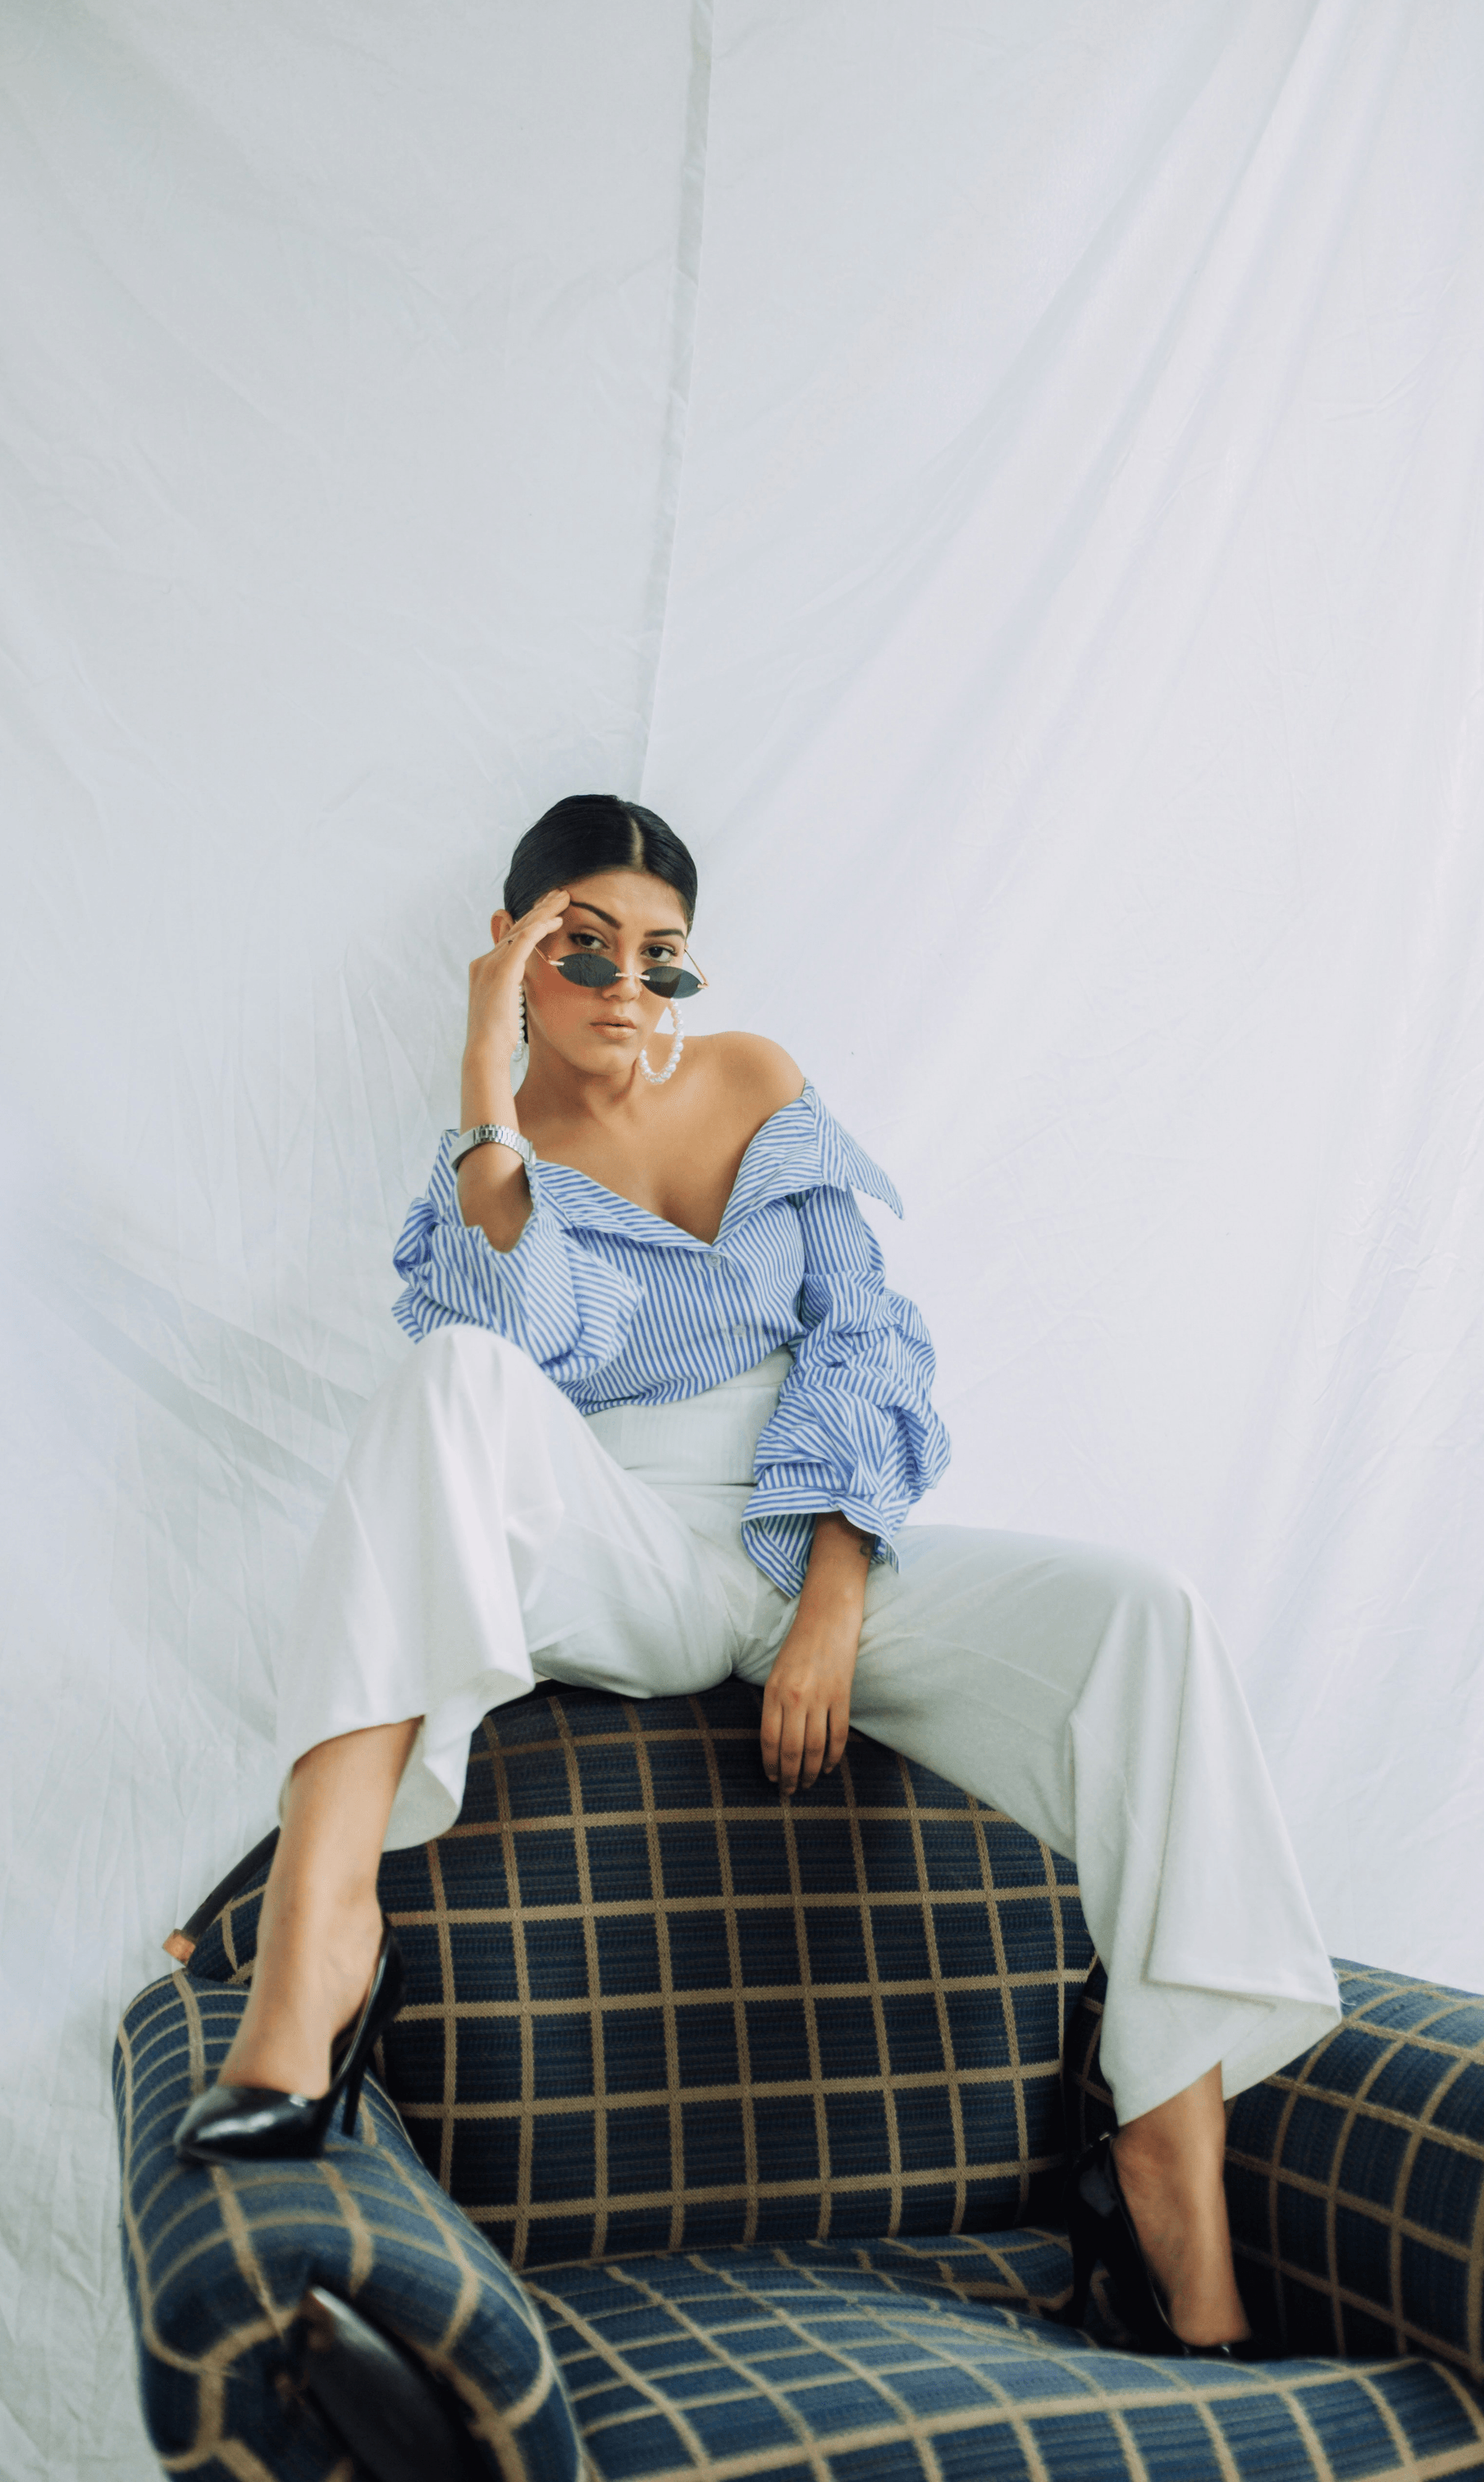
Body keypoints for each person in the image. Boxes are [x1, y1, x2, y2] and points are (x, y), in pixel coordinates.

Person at [173, 792, 1341, 2357]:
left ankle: (1167, 2175)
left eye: (661, 957)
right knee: (449, 1378)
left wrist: (833, 1600)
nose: (626, 987)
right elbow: (507, 1357)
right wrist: (483, 1085)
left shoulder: (755, 1083)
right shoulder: (492, 1159)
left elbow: (864, 1337)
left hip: (815, 1531)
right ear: (511, 950)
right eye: (581, 948)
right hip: (624, 1547)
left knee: (1150, 1615)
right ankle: (317, 1954)